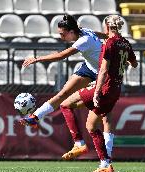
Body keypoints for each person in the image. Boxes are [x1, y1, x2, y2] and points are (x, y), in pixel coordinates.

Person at [18, 14, 115, 159]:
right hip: (90, 68)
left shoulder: (83, 40)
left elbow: (62, 55)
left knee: (104, 116)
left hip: (104, 75)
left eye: (63, 34)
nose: (61, 37)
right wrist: (106, 36)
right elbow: (97, 33)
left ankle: (105, 157)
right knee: (63, 93)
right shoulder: (83, 30)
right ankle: (35, 117)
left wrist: (37, 59)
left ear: (71, 32)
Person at [58, 15, 137, 172]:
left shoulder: (108, 43)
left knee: (65, 105)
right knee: (93, 124)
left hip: (105, 88)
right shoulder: (125, 43)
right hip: (116, 88)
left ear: (107, 27)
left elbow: (103, 70)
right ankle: (105, 164)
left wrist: (97, 89)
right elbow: (134, 64)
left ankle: (87, 150)